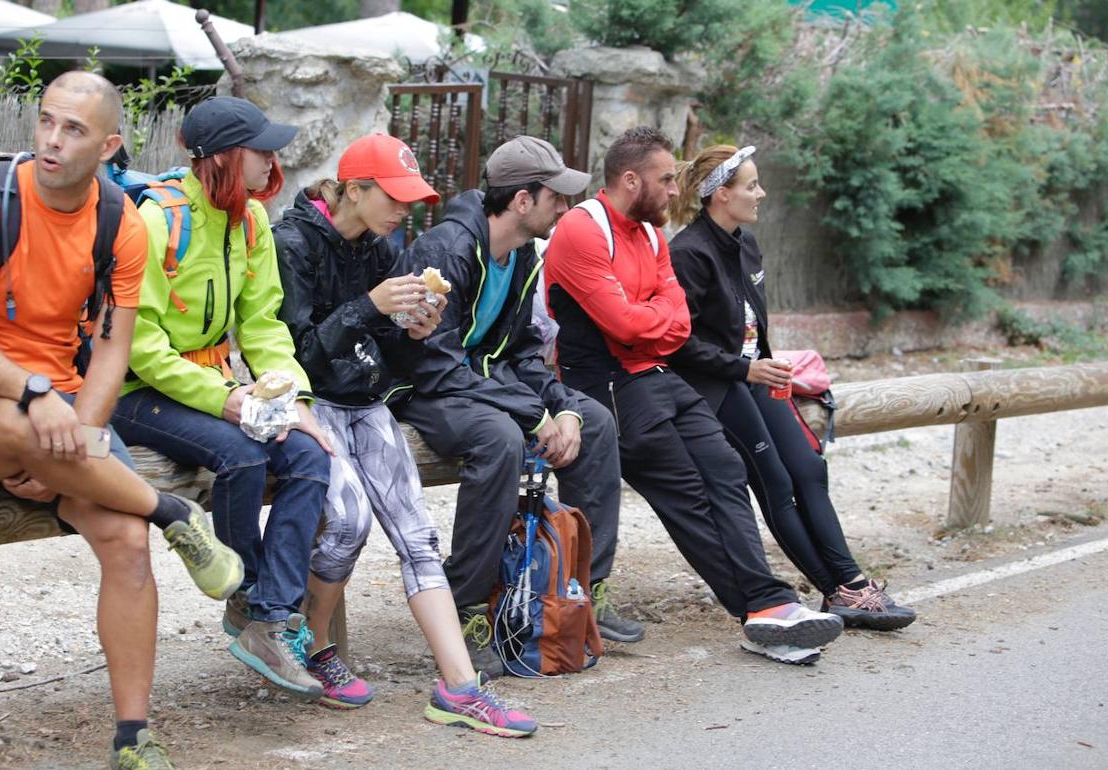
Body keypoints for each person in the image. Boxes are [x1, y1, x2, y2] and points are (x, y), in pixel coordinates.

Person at [0, 71, 242, 769]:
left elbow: (112, 348)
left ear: (108, 144)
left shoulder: (119, 222)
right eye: (46, 122)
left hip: (68, 418)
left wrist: (84, 438)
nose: (52, 140)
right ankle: (175, 514)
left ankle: (134, 736)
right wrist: (38, 400)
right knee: (19, 427)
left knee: (126, 542)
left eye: (73, 130)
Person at [542, 127, 845, 665]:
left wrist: (646, 321)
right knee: (687, 491)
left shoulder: (654, 234)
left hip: (656, 374)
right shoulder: (583, 229)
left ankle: (767, 606)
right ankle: (761, 607)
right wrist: (648, 320)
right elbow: (622, 322)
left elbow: (675, 327)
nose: (674, 190)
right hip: (607, 387)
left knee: (726, 468)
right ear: (630, 180)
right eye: (665, 180)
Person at [272, 132, 537, 737]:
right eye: (393, 197)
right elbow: (295, 352)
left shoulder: (383, 247)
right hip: (311, 405)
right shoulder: (291, 242)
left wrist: (414, 330)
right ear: (355, 189)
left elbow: (387, 350)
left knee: (418, 536)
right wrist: (369, 306)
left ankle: (460, 687)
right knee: (347, 522)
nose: (404, 211)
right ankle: (309, 647)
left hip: (368, 406)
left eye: (409, 199)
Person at [109, 96, 334, 707]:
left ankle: (269, 617)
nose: (273, 159)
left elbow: (262, 325)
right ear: (225, 158)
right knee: (241, 454)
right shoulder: (156, 221)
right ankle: (251, 594)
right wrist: (230, 401)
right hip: (134, 392)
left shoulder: (252, 222)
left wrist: (293, 397)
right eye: (262, 149)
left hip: (215, 387)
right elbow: (140, 347)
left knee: (311, 457)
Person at [390, 135, 643, 677]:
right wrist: (532, 415)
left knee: (595, 421)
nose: (567, 207)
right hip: (426, 389)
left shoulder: (523, 254)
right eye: (557, 196)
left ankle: (581, 590)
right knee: (500, 439)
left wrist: (565, 407)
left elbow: (524, 352)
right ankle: (465, 606)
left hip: (479, 382)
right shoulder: (446, 250)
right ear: (523, 200)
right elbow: (433, 363)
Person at [666, 144, 916, 631]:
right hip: (717, 387)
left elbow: (750, 324)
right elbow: (678, 344)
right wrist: (744, 371)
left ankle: (851, 583)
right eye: (751, 185)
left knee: (808, 467)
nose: (761, 193)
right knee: (775, 484)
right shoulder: (686, 254)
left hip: (757, 376)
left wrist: (765, 365)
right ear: (720, 195)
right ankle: (842, 589)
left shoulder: (747, 242)